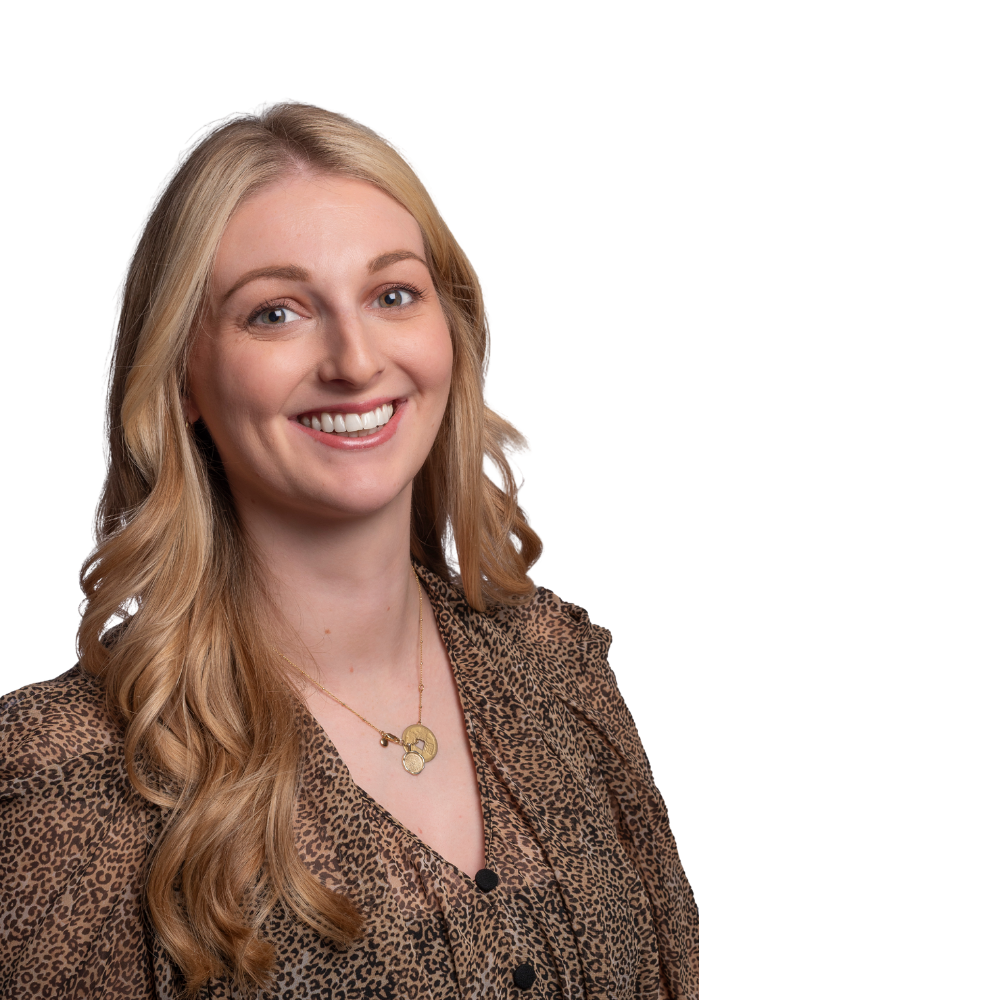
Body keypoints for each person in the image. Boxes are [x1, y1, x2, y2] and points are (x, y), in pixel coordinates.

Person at [0, 100, 698, 998]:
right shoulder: (67, 785)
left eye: (392, 294)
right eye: (277, 312)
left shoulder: (555, 660)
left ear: (448, 329)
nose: (355, 360)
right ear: (184, 381)